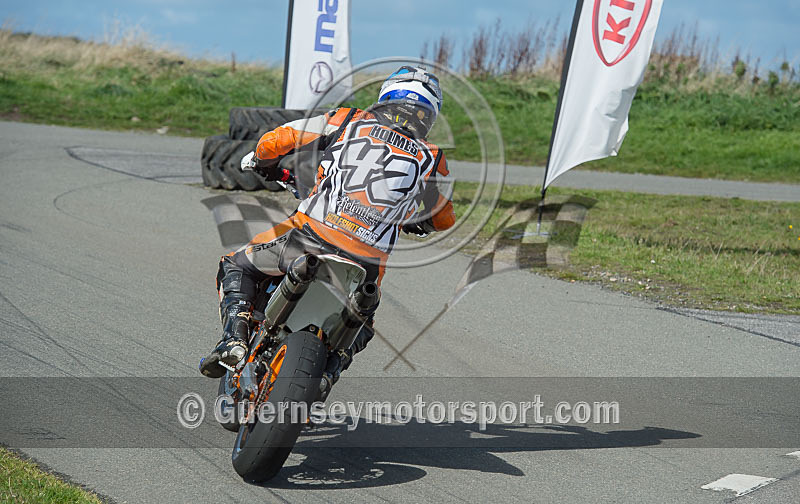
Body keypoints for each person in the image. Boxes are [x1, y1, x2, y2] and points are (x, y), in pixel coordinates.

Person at [200, 66, 455, 380]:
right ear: (429, 115)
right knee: (363, 324)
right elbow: (444, 218)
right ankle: (328, 375)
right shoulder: (433, 157)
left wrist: (262, 159)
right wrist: (422, 222)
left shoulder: (347, 119)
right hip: (367, 265)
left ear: (386, 97)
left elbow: (281, 138)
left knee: (237, 265)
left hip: (309, 237)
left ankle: (234, 339)